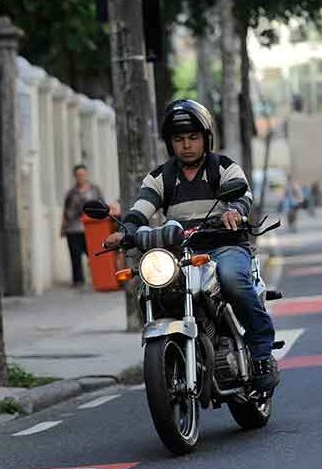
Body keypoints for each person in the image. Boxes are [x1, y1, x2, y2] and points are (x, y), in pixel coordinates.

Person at [103, 99, 279, 393]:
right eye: (179, 139)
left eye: (193, 138)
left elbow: (244, 197)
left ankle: (262, 352)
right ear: (170, 143)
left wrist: (234, 210)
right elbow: (140, 210)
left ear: (205, 139)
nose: (186, 145)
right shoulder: (161, 177)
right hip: (181, 253)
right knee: (153, 287)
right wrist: (126, 231)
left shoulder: (223, 167)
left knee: (233, 281)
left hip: (224, 246)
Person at [61, 164, 103, 288]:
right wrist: (62, 227)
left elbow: (102, 206)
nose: (81, 177)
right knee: (75, 256)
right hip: (73, 228)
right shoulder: (71, 193)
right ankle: (78, 280)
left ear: (86, 175)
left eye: (83, 174)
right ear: (75, 177)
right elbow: (66, 210)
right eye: (78, 175)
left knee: (94, 255)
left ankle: (99, 279)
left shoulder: (94, 190)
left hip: (92, 228)